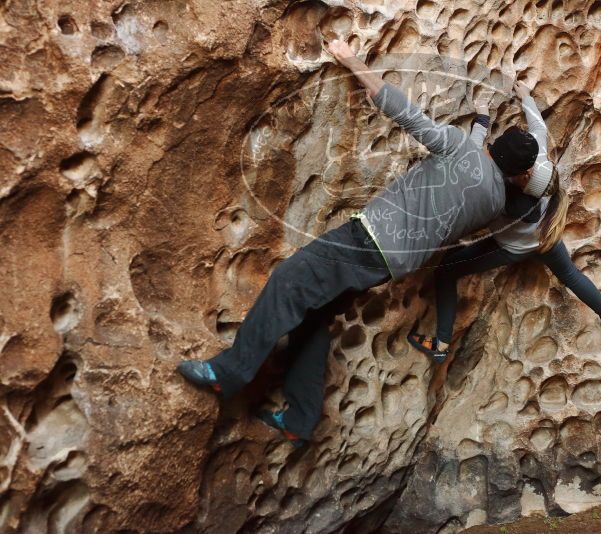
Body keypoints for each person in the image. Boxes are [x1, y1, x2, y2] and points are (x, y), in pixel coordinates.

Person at [176, 40, 545, 447]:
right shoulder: (494, 201)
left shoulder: (461, 149)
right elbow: (480, 164)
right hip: (390, 265)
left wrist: (352, 59)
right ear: (517, 173)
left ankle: (230, 372)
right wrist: (482, 130)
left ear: (494, 147)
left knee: (288, 280)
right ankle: (300, 418)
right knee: (312, 318)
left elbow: (408, 115)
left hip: (368, 238)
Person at [407, 81, 601, 364]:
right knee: (571, 275)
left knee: (446, 271)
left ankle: (442, 343)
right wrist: (526, 97)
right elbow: (538, 130)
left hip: (511, 247)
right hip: (547, 234)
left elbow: (470, 160)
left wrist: (482, 119)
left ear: (519, 176)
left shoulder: (498, 198)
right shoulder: (541, 173)